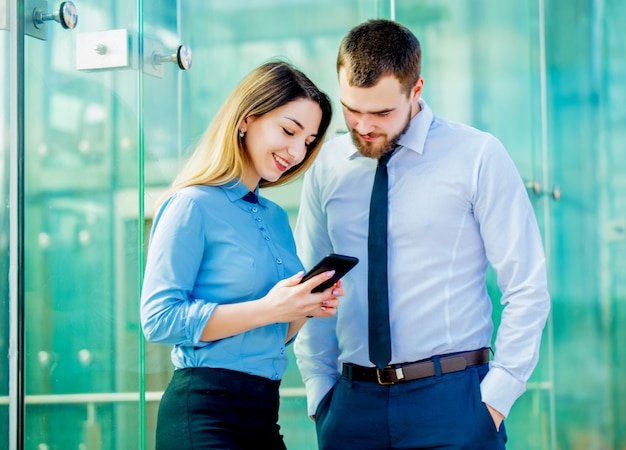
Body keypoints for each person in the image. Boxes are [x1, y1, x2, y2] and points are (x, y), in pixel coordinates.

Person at [293, 19, 551, 449]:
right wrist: (321, 393)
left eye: (382, 112)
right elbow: (313, 287)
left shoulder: (477, 156)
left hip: (455, 404)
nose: (363, 126)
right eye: (352, 109)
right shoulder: (327, 166)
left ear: (416, 91)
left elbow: (526, 285)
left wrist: (496, 398)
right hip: (352, 407)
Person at [140, 60, 342, 450]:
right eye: (289, 130)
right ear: (247, 120)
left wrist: (301, 307)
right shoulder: (191, 204)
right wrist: (272, 307)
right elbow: (158, 320)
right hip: (204, 412)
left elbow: (270, 335)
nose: (297, 152)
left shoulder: (276, 217)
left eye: (308, 141)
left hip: (263, 411)